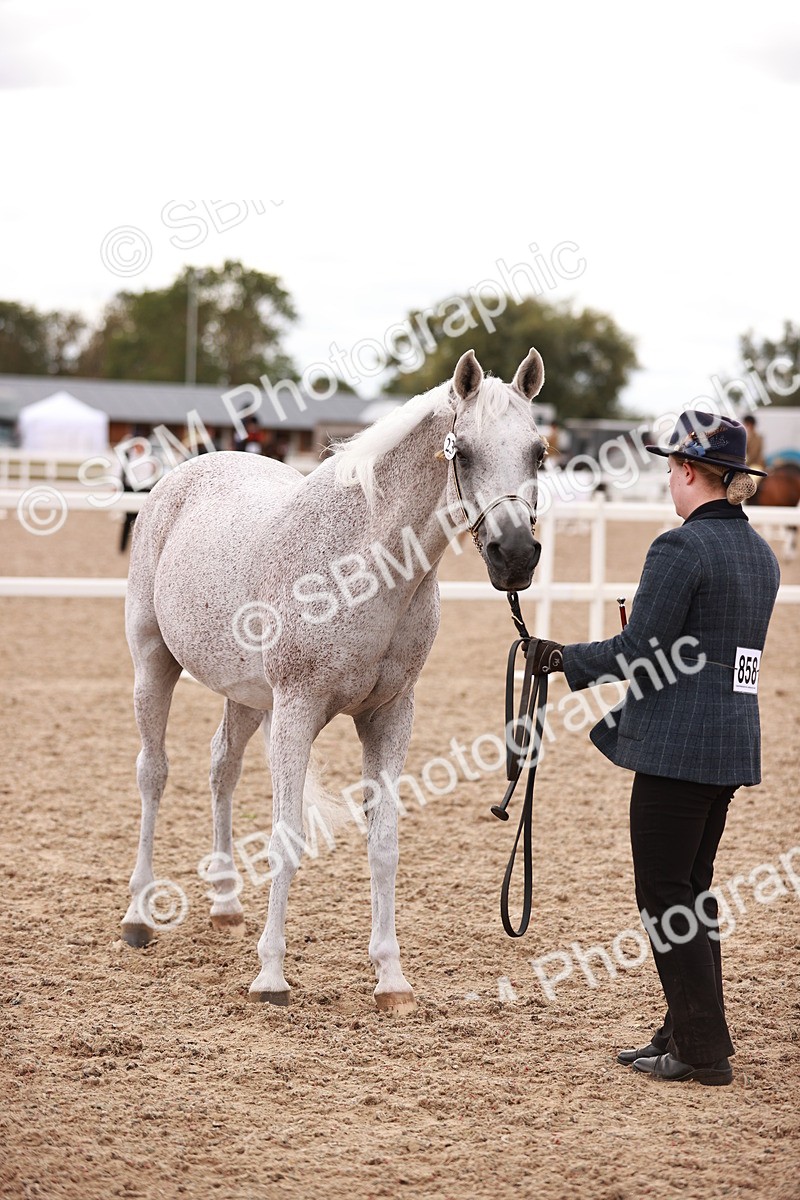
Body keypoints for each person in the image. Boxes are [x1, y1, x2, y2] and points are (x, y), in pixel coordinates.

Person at [528, 411, 779, 1086]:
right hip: (730, 742)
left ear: (689, 472)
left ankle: (702, 1051)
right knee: (691, 894)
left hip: (678, 749)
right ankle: (685, 1029)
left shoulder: (680, 549)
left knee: (667, 896)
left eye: (672, 467)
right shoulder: (760, 553)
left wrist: (562, 658)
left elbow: (639, 650)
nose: (669, 479)